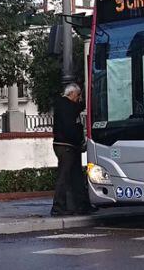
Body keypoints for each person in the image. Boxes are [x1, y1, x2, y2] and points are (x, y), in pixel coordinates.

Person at [51, 83, 94, 216]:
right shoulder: (66, 107)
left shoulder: (65, 105)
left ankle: (82, 204)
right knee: (64, 176)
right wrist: (79, 141)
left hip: (67, 145)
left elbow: (78, 107)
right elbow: (71, 128)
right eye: (78, 95)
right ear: (71, 94)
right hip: (67, 146)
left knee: (77, 176)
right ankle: (58, 207)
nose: (79, 98)